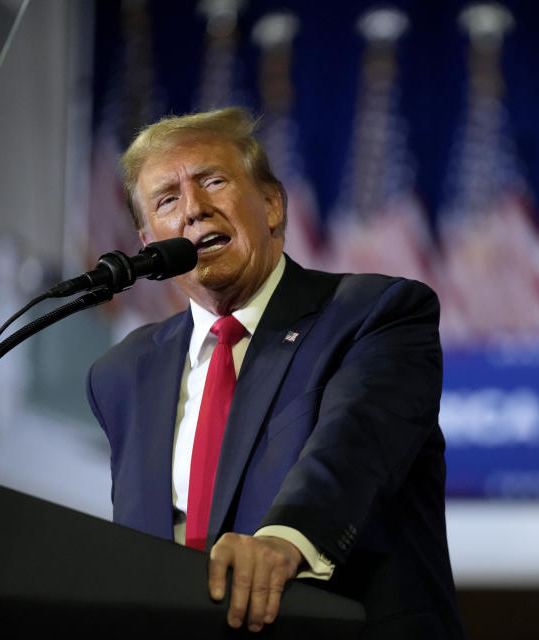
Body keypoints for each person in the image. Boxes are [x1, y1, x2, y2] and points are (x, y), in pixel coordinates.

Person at [86, 107, 464, 638]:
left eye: (213, 181)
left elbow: (354, 449)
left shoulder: (375, 313)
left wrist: (283, 540)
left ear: (271, 205)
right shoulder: (122, 373)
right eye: (167, 200)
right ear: (151, 244)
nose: (193, 210)